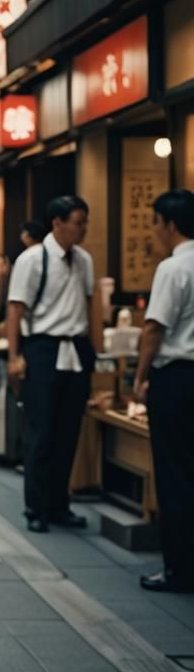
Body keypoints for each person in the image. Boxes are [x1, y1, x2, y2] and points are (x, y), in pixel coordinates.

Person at [6, 195, 101, 533]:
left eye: (85, 221)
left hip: (76, 350)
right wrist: (16, 357)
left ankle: (60, 504)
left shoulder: (84, 261)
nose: (84, 228)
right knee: (41, 432)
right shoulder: (33, 260)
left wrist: (97, 348)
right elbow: (15, 310)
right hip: (43, 349)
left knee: (68, 432)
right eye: (78, 221)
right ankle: (36, 507)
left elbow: (92, 305)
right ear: (57, 223)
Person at [134, 189, 194, 593]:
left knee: (174, 475)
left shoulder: (174, 269)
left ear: (170, 224)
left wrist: (139, 377)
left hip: (176, 378)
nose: (154, 231)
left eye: (155, 223)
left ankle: (179, 569)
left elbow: (154, 329)